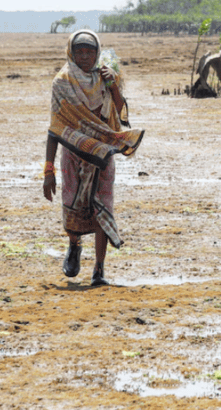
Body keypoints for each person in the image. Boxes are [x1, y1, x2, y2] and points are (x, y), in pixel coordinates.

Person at [43, 30, 144, 286]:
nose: (85, 56)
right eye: (80, 52)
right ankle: (74, 244)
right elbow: (55, 128)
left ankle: (99, 270)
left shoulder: (106, 77)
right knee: (72, 202)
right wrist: (48, 170)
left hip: (102, 153)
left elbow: (120, 110)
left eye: (90, 52)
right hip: (73, 155)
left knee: (103, 206)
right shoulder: (62, 82)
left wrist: (113, 84)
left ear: (98, 53)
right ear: (71, 53)